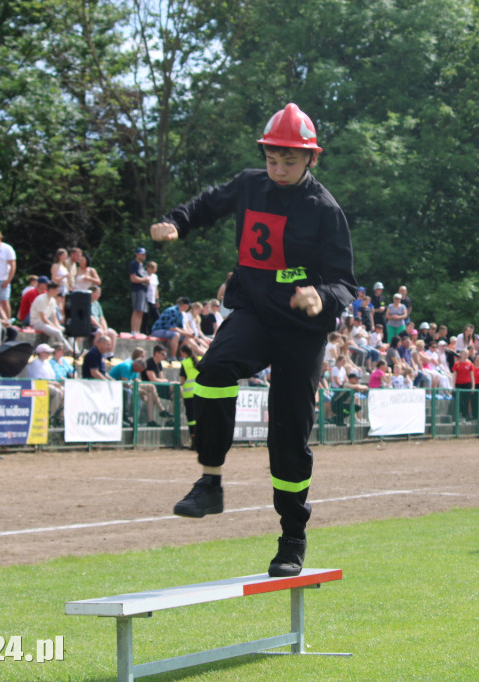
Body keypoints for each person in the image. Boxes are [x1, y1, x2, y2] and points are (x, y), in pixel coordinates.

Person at [150, 102, 357, 577]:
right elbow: (206, 204)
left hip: (301, 331)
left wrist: (319, 295)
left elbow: (345, 281)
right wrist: (177, 221)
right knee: (214, 368)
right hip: (254, 314)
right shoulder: (248, 185)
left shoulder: (324, 209)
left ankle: (291, 537)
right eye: (272, 159)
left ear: (311, 159)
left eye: (290, 161)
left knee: (287, 436)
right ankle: (210, 482)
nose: (279, 169)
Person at [29, 281, 74, 352]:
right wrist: (55, 327)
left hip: (45, 323)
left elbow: (54, 317)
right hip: (37, 323)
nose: (58, 292)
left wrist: (57, 326)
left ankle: (75, 350)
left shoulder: (53, 300)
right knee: (57, 332)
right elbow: (43, 318)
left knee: (68, 330)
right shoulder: (41, 299)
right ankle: (70, 350)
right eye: (57, 290)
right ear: (51, 290)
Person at [25, 343, 64, 422]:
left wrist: (55, 383)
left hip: (48, 384)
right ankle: (50, 417)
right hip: (38, 386)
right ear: (41, 353)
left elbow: (51, 377)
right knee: (58, 393)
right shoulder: (36, 363)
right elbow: (39, 379)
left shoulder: (47, 363)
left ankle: (60, 418)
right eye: (47, 352)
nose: (49, 354)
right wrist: (53, 383)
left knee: (65, 391)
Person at [128, 247, 149, 333]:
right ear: (137, 254)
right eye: (141, 254)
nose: (143, 255)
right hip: (137, 289)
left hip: (143, 290)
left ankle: (137, 331)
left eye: (144, 254)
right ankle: (133, 330)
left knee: (141, 311)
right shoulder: (134, 264)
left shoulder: (142, 266)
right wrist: (144, 280)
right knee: (136, 310)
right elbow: (133, 278)